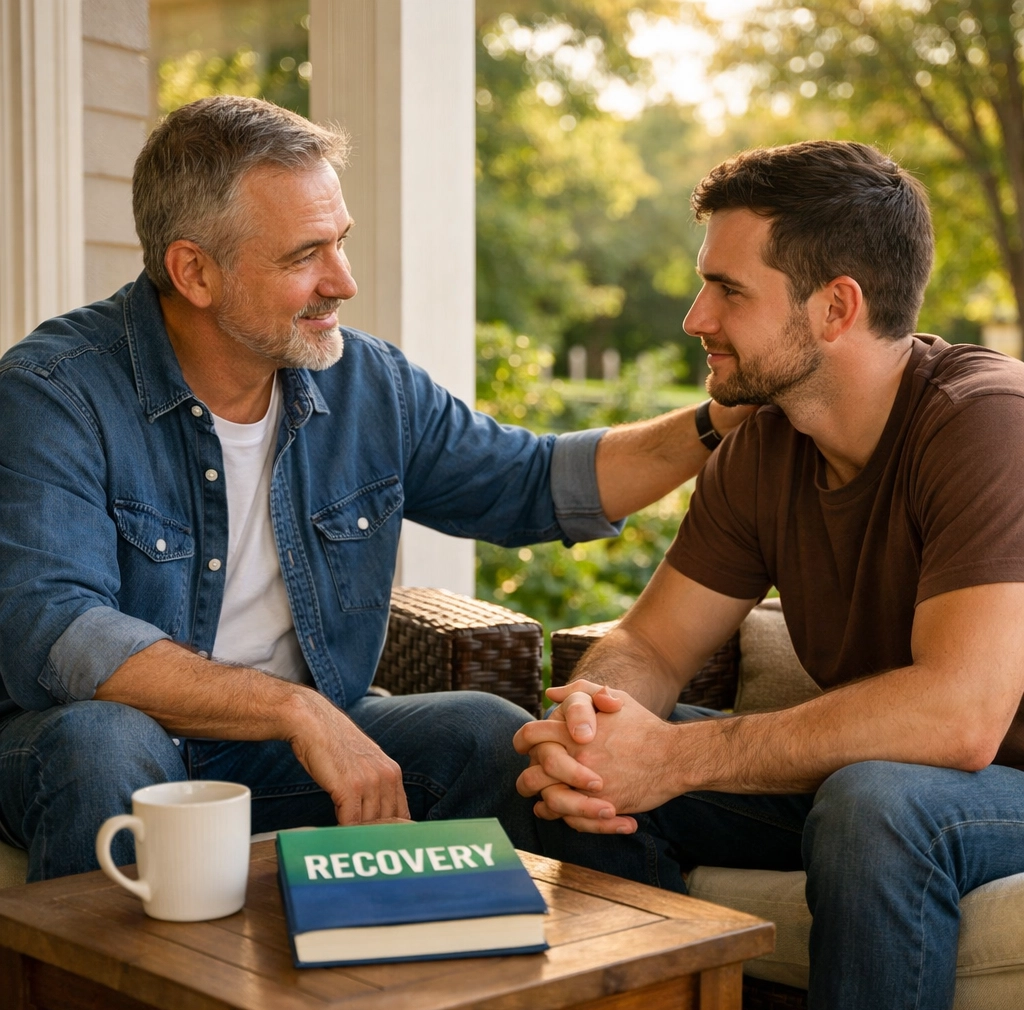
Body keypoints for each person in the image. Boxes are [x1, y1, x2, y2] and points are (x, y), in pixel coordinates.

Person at [0, 95, 748, 882]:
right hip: (81, 747)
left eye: (341, 244)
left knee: (487, 733)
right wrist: (293, 710)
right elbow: (55, 630)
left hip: (288, 753)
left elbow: (533, 483)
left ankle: (609, 978)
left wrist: (714, 424)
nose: (344, 282)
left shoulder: (367, 384)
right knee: (104, 741)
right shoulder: (56, 392)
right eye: (304, 257)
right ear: (194, 271)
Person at [513, 140, 1024, 1010]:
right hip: (876, 775)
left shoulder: (985, 424)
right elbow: (652, 642)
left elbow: (960, 714)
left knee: (878, 804)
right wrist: (595, 725)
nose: (694, 316)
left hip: (990, 781)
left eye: (729, 289)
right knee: (555, 776)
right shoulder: (764, 443)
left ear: (836, 307)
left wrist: (672, 758)